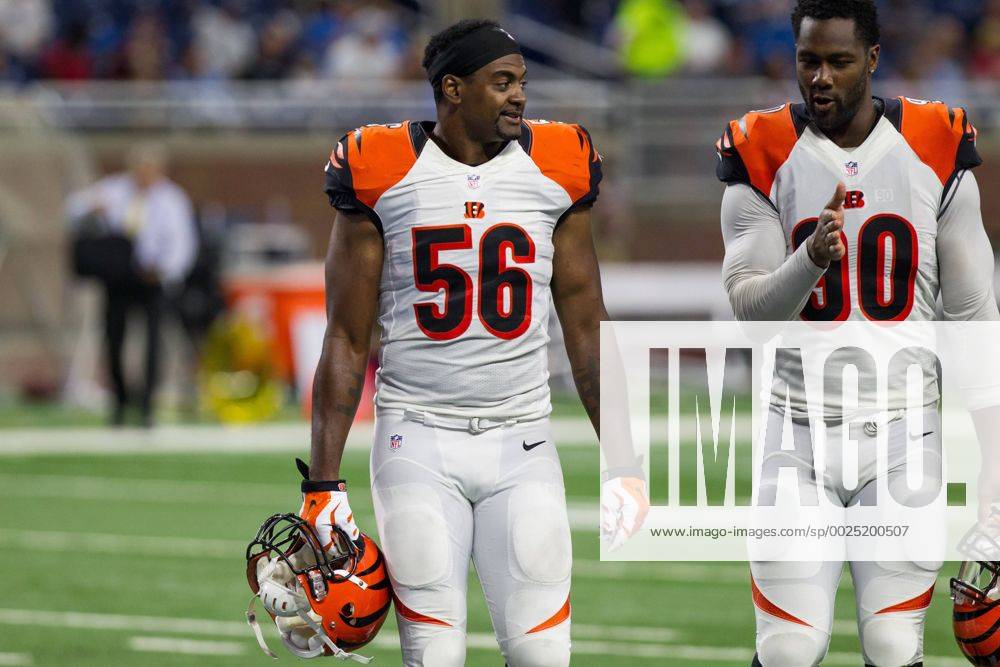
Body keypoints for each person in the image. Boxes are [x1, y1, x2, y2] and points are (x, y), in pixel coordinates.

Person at [297, 19, 647, 667]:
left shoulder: (558, 162)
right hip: (418, 440)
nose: (519, 96)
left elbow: (586, 322)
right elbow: (346, 337)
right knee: (435, 654)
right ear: (452, 89)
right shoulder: (382, 166)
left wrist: (623, 458)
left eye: (522, 82)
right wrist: (321, 483)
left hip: (525, 441)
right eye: (502, 82)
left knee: (544, 654)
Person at [715, 1, 996, 665]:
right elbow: (749, 309)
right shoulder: (762, 146)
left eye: (838, 61)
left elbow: (974, 317)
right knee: (787, 647)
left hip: (905, 436)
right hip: (796, 434)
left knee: (893, 643)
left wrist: (995, 467)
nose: (820, 77)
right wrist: (809, 258)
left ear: (871, 59)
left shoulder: (934, 143)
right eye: (808, 60)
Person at [67, 143, 197, 427]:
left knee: (153, 343)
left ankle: (147, 404)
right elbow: (73, 207)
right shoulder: (115, 190)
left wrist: (165, 273)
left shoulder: (172, 199)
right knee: (113, 339)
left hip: (152, 280)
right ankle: (121, 401)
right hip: (119, 277)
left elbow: (183, 245)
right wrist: (92, 208)